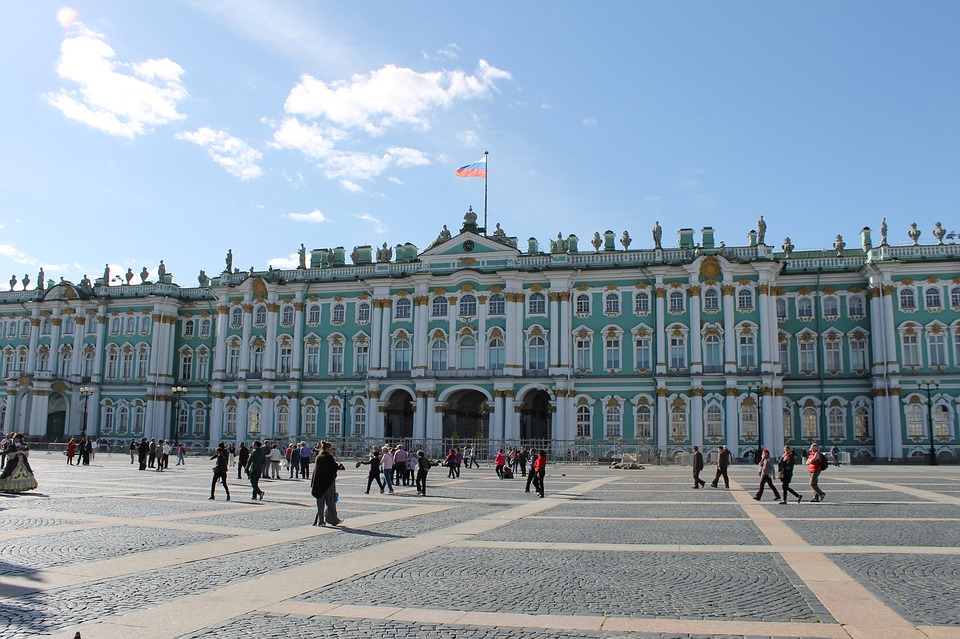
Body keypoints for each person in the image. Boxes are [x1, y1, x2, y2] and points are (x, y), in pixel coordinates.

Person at [312, 441, 345, 526]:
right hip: (328, 483)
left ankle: (321, 521)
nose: (332, 451)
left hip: (318, 483)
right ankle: (334, 519)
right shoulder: (328, 457)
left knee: (320, 503)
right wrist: (338, 466)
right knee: (331, 502)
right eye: (331, 449)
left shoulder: (318, 456)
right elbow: (333, 468)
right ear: (327, 449)